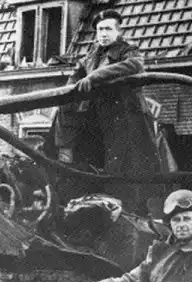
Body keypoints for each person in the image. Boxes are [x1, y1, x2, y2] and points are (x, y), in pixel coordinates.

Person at [51, 9, 161, 214]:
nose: (103, 34)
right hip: (99, 120)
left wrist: (96, 77)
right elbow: (75, 78)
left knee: (124, 171)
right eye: (100, 29)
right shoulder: (91, 56)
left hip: (124, 121)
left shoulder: (127, 50)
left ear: (118, 32)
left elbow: (134, 65)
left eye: (108, 29)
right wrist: (69, 90)